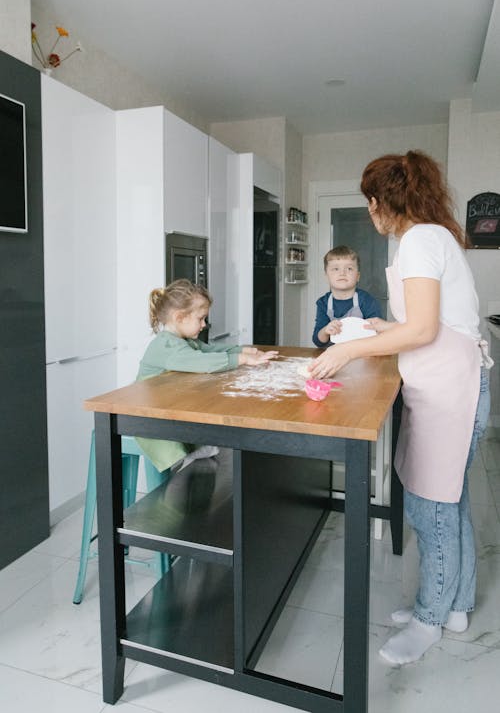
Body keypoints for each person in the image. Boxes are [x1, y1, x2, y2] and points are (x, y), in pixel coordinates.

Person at [308, 150, 492, 665]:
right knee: (448, 500)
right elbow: (433, 323)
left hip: (449, 388)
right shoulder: (434, 237)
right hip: (454, 381)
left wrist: (345, 349)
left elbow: (424, 330)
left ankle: (430, 620)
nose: (370, 211)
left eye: (370, 201)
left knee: (430, 507)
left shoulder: (417, 240)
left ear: (381, 201)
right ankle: (454, 607)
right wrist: (378, 329)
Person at [135, 279, 278, 474]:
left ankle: (196, 461)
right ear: (179, 317)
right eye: (200, 318)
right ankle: (178, 479)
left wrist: (244, 350)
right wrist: (241, 359)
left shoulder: (183, 340)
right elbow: (203, 361)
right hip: (147, 416)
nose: (204, 325)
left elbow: (210, 350)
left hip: (168, 406)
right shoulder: (166, 346)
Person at [312, 245, 382, 347]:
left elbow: (379, 335)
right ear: (327, 276)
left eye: (349, 268)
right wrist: (326, 330)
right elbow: (318, 341)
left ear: (357, 276)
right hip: (333, 356)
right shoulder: (323, 303)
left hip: (362, 354)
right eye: (335, 269)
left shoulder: (367, 301)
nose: (342, 273)